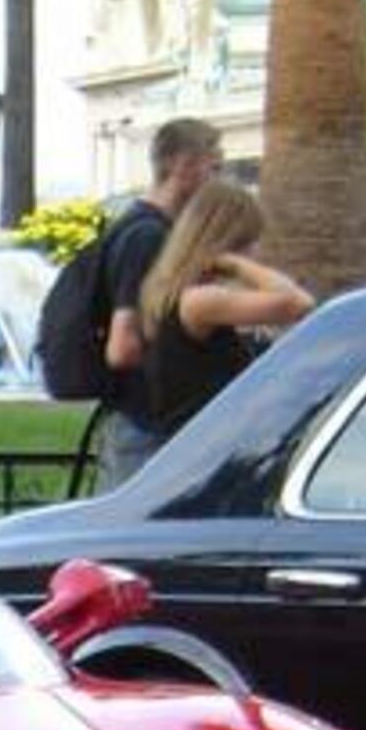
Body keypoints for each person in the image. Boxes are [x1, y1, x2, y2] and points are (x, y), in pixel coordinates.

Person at [93, 117, 222, 490]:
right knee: (133, 543)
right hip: (147, 429)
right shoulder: (148, 239)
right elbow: (122, 347)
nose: (219, 182)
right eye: (215, 167)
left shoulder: (136, 228)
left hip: (149, 425)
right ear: (184, 167)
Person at [135, 180, 316, 440]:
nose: (255, 252)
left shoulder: (169, 291)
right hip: (205, 442)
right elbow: (298, 302)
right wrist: (237, 265)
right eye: (249, 242)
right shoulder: (200, 300)